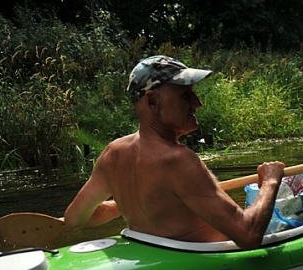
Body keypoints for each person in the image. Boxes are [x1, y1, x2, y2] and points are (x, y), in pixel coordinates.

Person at [64, 55, 285, 250]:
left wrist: (119, 207)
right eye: (185, 96)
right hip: (206, 268)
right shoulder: (178, 160)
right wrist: (270, 181)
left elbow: (75, 219)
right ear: (152, 101)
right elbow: (248, 235)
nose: (197, 104)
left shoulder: (113, 154)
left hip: (156, 258)